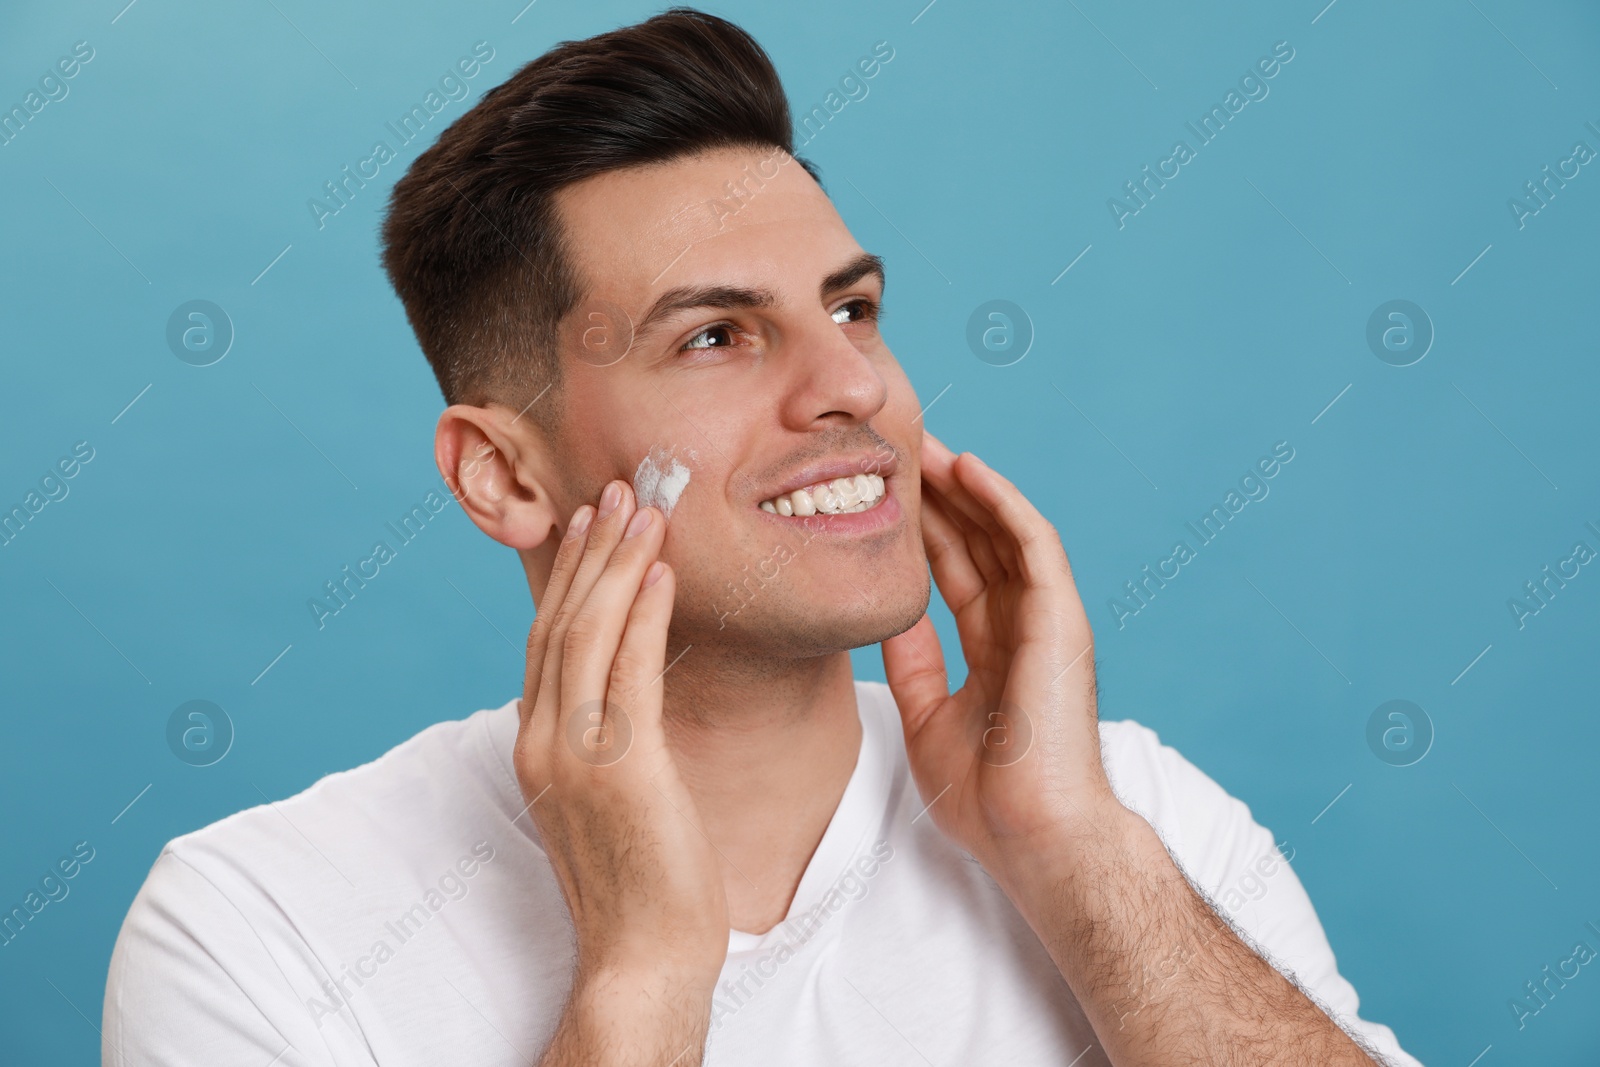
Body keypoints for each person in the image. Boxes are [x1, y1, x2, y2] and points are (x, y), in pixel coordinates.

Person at [103, 8, 1423, 1065]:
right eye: (716, 336)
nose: (851, 388)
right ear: (504, 474)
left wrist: (1073, 856)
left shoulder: (1127, 814)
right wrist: (642, 984)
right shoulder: (257, 933)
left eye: (853, 311)